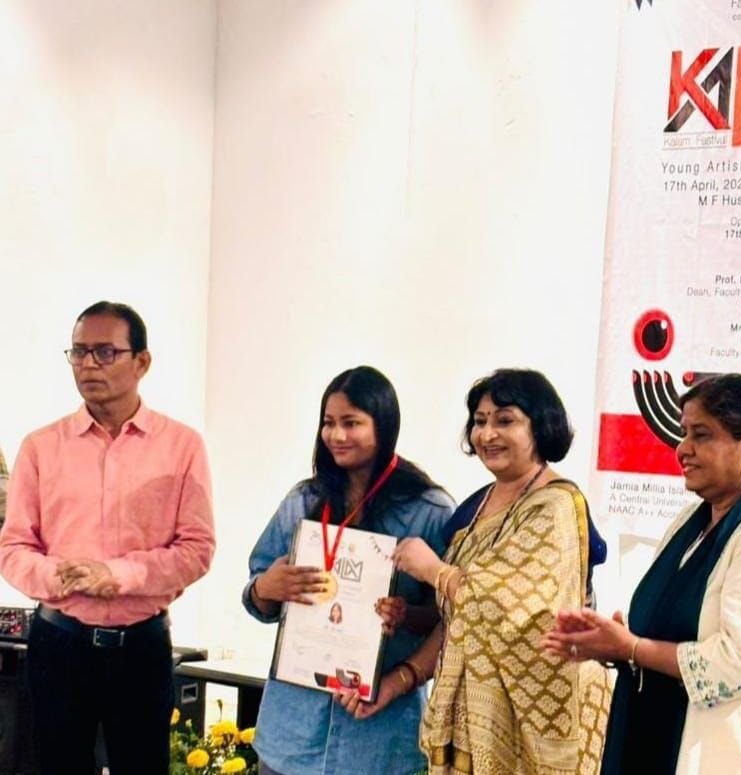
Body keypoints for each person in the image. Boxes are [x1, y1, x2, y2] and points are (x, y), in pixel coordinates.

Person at [0, 301, 215, 775]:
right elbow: (13, 547)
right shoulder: (41, 447)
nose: (88, 365)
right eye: (78, 352)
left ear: (142, 362)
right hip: (60, 643)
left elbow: (197, 549)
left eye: (105, 352)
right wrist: (63, 576)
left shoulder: (182, 446)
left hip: (141, 647)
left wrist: (117, 575)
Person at [542, 373, 741, 774]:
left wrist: (633, 648)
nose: (682, 449)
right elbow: (662, 639)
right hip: (653, 731)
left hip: (723, 752)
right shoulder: (690, 522)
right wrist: (610, 643)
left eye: (701, 435)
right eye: (683, 433)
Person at [391, 368, 611, 774]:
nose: (487, 434)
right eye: (480, 421)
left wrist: (433, 569)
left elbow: (505, 607)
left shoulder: (556, 506)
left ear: (540, 426)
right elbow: (461, 617)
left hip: (530, 716)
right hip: (471, 711)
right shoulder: (474, 508)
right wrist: (409, 621)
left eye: (505, 420)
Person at [242, 365, 455, 775]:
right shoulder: (304, 501)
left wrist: (406, 615)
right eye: (329, 423)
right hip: (291, 734)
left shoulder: (430, 510)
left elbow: (452, 619)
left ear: (384, 425)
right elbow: (256, 596)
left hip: (379, 740)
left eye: (351, 423)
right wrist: (267, 587)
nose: (336, 435)